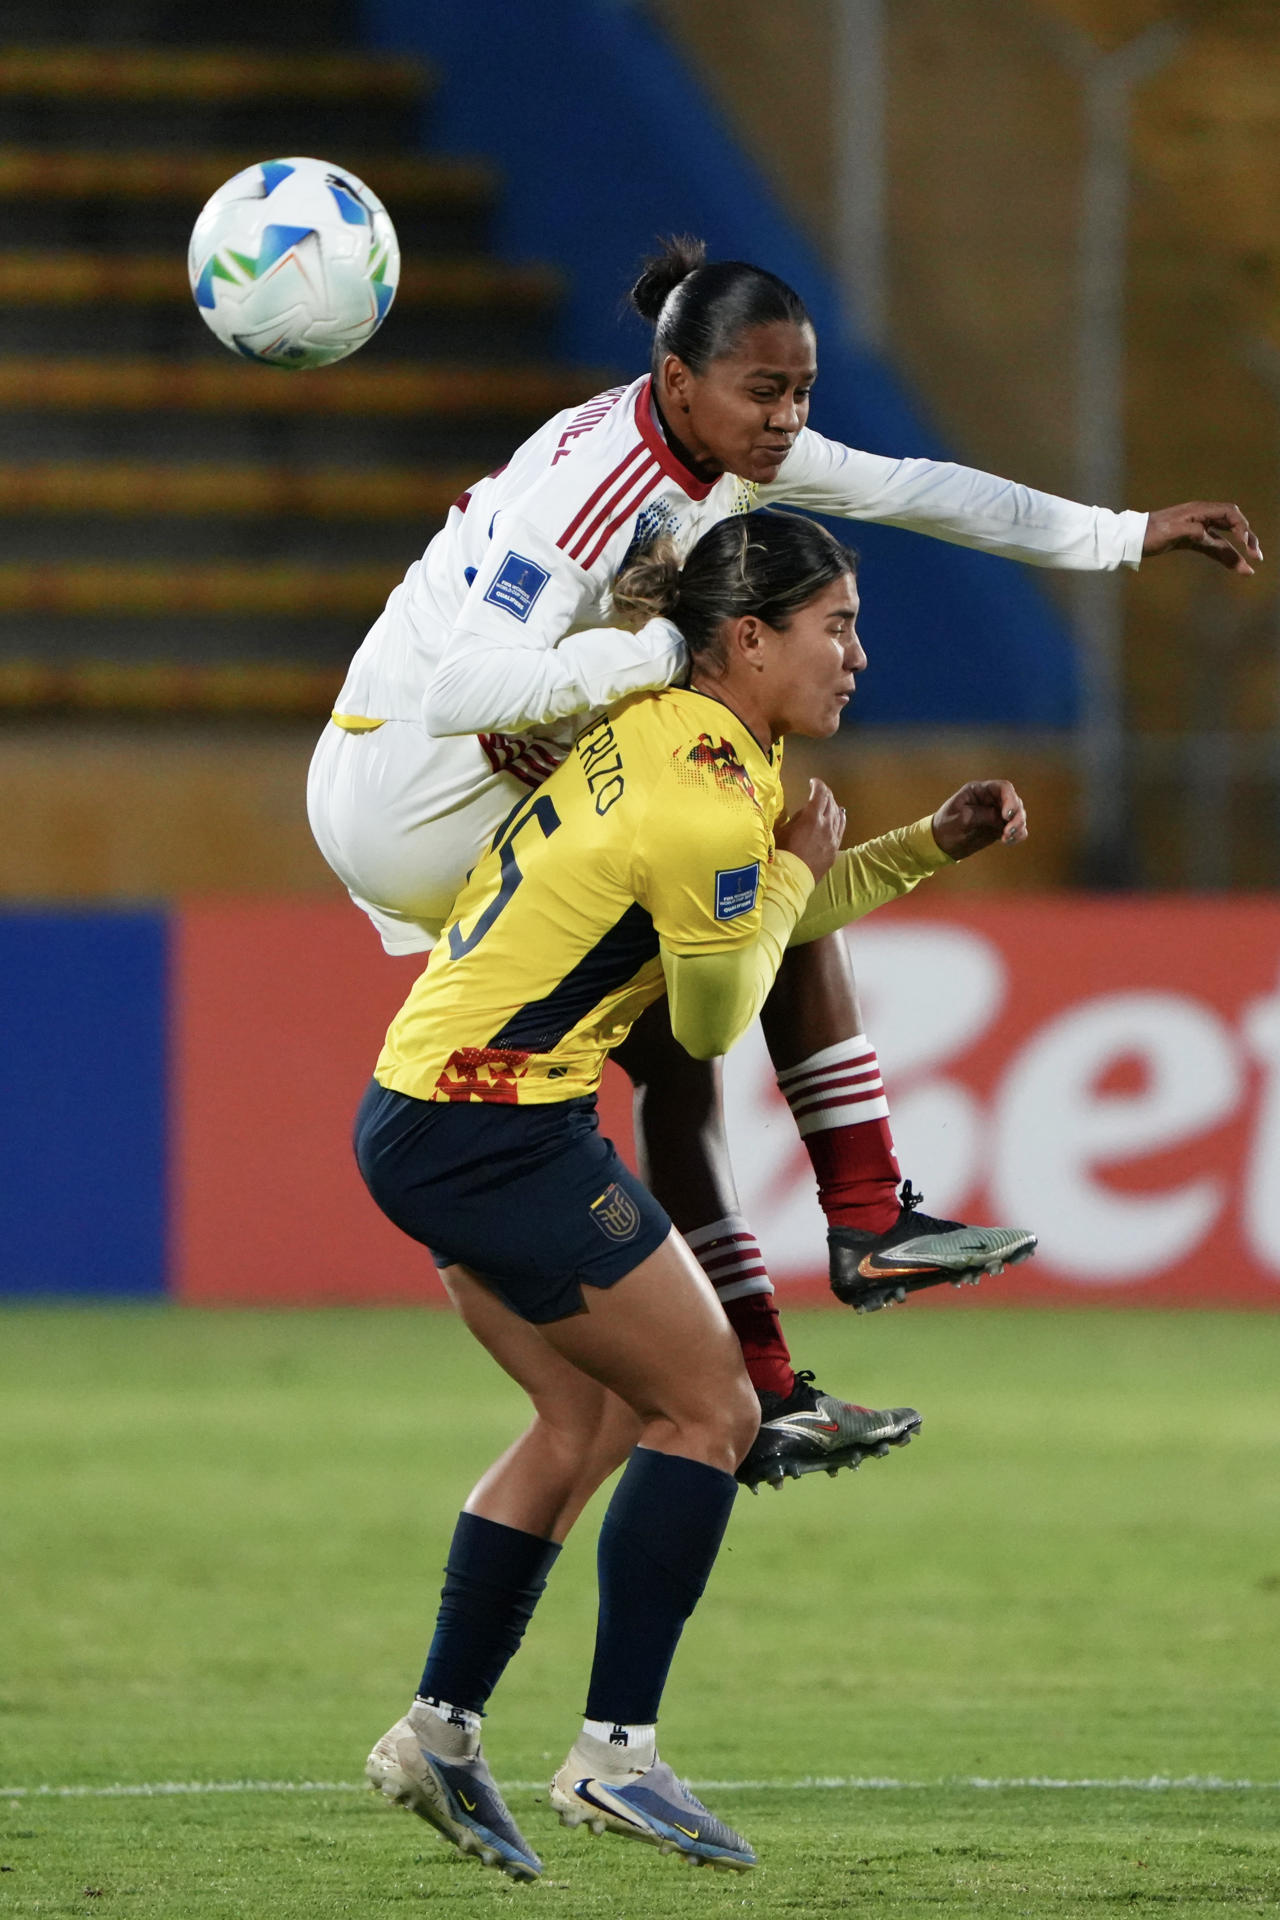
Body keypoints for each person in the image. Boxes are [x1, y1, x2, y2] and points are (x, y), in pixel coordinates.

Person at [310, 236, 1257, 1484]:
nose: (786, 419)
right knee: (758, 870)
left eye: (798, 391)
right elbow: (462, 686)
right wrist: (651, 665)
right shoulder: (595, 488)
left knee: (676, 1041)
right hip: (413, 782)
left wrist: (1126, 534)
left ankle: (772, 1377)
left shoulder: (718, 445)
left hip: (481, 776)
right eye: (763, 392)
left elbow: (922, 489)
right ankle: (861, 1214)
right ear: (678, 376)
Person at [355, 511, 1029, 1878]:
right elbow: (720, 1010)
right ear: (748, 638)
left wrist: (915, 849)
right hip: (495, 1127)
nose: (857, 654)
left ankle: (438, 1732)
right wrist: (788, 858)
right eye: (833, 626)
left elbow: (746, 918)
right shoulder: (712, 801)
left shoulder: (673, 729)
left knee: (592, 1413)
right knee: (713, 1408)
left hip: (431, 1106)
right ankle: (616, 1753)